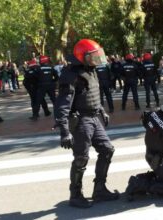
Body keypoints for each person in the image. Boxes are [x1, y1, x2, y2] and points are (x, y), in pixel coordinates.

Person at [54, 39, 119, 208]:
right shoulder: (71, 74)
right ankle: (75, 195)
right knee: (81, 158)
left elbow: (92, 94)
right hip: (81, 120)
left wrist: (101, 111)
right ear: (81, 57)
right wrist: (64, 131)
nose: (96, 59)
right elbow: (62, 104)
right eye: (92, 56)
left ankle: (99, 190)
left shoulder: (91, 70)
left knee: (107, 150)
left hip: (94, 117)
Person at [31, 55, 58, 120]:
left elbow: (34, 77)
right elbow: (56, 76)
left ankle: (35, 115)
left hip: (41, 86)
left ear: (41, 61)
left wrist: (37, 83)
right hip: (50, 85)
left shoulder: (38, 69)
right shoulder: (51, 68)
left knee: (38, 101)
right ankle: (58, 114)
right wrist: (53, 81)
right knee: (54, 100)